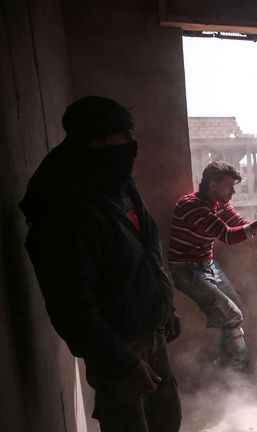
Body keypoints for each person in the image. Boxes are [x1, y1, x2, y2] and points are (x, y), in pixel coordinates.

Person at [19, 96, 182, 432]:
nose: (131, 145)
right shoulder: (65, 212)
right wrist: (121, 363)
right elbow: (72, 307)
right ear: (92, 142)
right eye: (121, 137)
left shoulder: (119, 185)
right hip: (119, 349)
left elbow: (145, 249)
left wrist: (164, 306)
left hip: (151, 334)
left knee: (166, 420)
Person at [168, 161, 257, 371]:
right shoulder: (193, 206)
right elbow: (228, 236)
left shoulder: (218, 203)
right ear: (213, 185)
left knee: (237, 312)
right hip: (186, 270)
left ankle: (227, 368)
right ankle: (241, 371)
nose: (232, 191)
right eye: (229, 186)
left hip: (207, 266)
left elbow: (240, 224)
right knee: (232, 316)